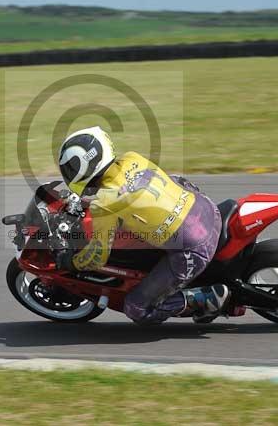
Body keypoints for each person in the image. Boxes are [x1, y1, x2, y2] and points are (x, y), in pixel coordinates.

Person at [55, 126, 230, 324]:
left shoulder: (104, 204)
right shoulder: (133, 158)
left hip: (195, 247)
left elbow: (97, 257)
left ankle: (205, 299)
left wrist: (71, 262)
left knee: (136, 308)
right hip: (207, 209)